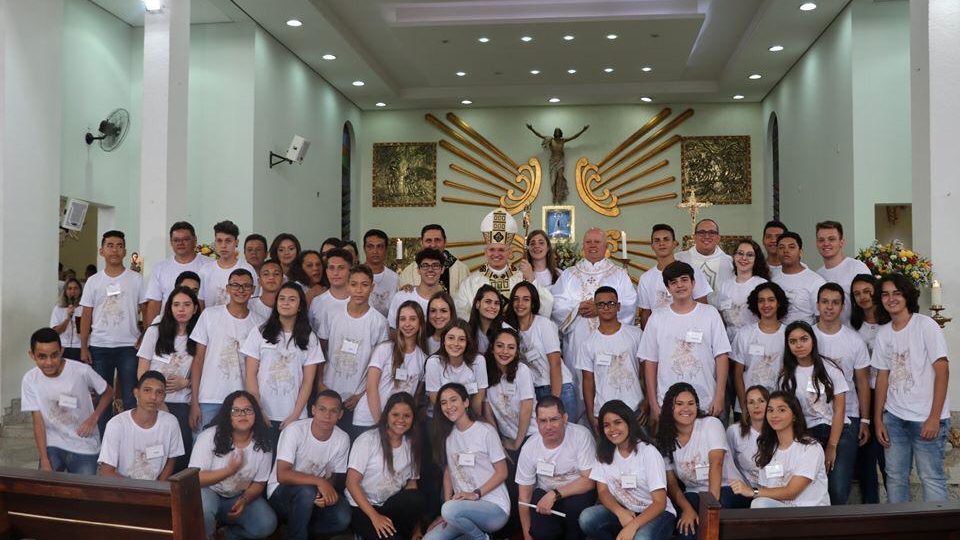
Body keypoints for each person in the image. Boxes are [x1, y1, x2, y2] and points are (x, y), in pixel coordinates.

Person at [872, 273, 951, 503]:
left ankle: (937, 531)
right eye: (885, 294)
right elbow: (882, 378)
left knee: (931, 478)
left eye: (896, 293)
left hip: (926, 417)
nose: (891, 298)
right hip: (895, 418)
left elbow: (942, 370)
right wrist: (878, 419)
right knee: (895, 477)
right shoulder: (884, 333)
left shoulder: (925, 325)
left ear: (906, 295)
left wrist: (934, 417)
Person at [641, 262, 731, 421]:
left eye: (684, 280)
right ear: (668, 288)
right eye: (673, 282)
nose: (680, 285)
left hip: (706, 401)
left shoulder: (710, 313)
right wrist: (654, 404)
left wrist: (720, 395)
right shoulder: (657, 317)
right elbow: (650, 362)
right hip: (668, 403)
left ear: (693, 283)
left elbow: (721, 356)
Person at [657, 384, 748, 540]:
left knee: (713, 515)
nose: (686, 408)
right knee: (686, 523)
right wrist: (687, 510)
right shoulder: (666, 438)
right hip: (694, 493)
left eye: (691, 403)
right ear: (669, 408)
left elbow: (716, 464)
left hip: (727, 488)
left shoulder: (710, 424)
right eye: (679, 404)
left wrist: (709, 509)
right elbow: (671, 485)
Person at [79, 230, 146, 433]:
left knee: (130, 396)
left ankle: (129, 438)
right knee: (102, 397)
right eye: (110, 245)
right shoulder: (94, 281)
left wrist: (145, 336)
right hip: (99, 346)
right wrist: (83, 346)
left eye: (119, 245)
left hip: (129, 346)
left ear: (124, 250)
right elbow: (86, 316)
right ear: (102, 251)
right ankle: (105, 443)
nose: (114, 249)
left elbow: (146, 310)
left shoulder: (136, 279)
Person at [579, 400, 676, 540]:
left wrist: (633, 525)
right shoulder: (604, 452)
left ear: (629, 423)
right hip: (626, 511)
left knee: (640, 538)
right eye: (606, 425)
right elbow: (603, 491)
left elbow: (660, 503)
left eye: (618, 422)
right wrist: (620, 512)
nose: (612, 429)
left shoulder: (648, 452)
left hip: (657, 514)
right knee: (587, 518)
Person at [777, 321, 851, 504]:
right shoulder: (786, 376)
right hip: (806, 435)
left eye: (804, 339)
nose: (799, 345)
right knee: (811, 492)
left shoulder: (829, 368)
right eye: (793, 341)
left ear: (813, 341)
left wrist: (832, 446)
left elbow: (839, 408)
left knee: (837, 489)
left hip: (837, 431)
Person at [21, 327, 112, 474]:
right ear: (32, 355)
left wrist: (93, 418)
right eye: (42, 356)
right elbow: (37, 422)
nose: (49, 362)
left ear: (62, 351)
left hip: (84, 443)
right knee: (45, 491)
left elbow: (108, 392)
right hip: (53, 443)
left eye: (54, 355)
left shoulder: (81, 371)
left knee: (84, 494)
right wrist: (44, 460)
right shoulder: (30, 380)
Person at [424, 383, 510, 540]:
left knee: (449, 509)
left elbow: (502, 472)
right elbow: (449, 472)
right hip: (461, 510)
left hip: (494, 507)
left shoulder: (485, 431)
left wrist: (475, 494)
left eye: (453, 400)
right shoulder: (449, 437)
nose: (449, 406)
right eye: (443, 403)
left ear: (466, 402)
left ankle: (482, 538)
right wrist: (449, 510)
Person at [242, 283, 323, 449]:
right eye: (282, 299)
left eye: (292, 299)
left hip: (294, 414)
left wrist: (295, 415)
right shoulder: (259, 333)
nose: (285, 303)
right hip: (262, 412)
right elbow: (250, 375)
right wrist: (258, 410)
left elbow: (308, 381)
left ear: (300, 306)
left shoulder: (309, 337)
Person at [190, 390, 277, 540]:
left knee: (267, 524)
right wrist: (229, 470)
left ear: (255, 414)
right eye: (235, 411)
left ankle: (227, 535)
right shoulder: (209, 436)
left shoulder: (264, 443)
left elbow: (259, 482)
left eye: (248, 410)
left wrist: (245, 500)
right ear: (227, 415)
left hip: (237, 496)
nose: (242, 415)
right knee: (203, 507)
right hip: (210, 493)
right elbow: (195, 478)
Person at [812, 282, 870, 504]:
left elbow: (862, 382)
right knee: (811, 484)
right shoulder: (807, 336)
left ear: (842, 306)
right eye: (825, 302)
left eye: (835, 302)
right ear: (817, 305)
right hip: (812, 417)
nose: (829, 307)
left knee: (838, 485)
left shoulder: (854, 340)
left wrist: (864, 420)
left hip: (847, 416)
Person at [267, 390, 352, 540]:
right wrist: (319, 482)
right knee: (306, 492)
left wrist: (324, 493)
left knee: (342, 517)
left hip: (313, 495)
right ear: (313, 410)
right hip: (280, 493)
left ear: (340, 415)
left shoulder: (342, 438)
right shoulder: (294, 430)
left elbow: (332, 475)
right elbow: (283, 475)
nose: (327, 416)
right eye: (322, 409)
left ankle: (298, 531)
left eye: (333, 411)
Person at [552, 227, 637, 378]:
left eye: (597, 242)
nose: (592, 245)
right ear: (583, 246)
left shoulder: (619, 274)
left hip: (610, 341)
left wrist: (600, 309)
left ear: (605, 246)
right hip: (577, 342)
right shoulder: (569, 274)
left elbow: (629, 303)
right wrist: (577, 308)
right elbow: (557, 303)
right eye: (588, 242)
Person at [190, 268, 265, 433]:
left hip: (243, 401)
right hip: (210, 397)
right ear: (228, 288)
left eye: (246, 286)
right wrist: (194, 401)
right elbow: (198, 360)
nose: (240, 290)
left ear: (253, 290)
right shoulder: (209, 315)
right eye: (235, 285)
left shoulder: (259, 323)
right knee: (203, 448)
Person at [319, 265, 390, 439]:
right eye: (354, 284)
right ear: (347, 286)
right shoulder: (332, 314)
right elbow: (320, 350)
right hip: (329, 391)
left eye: (364, 285)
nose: (359, 290)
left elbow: (380, 365)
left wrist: (361, 395)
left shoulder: (379, 322)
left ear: (372, 287)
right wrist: (320, 384)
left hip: (357, 398)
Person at [729, 391, 831, 508]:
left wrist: (752, 491)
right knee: (759, 503)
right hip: (781, 511)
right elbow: (767, 491)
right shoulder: (767, 448)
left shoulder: (810, 448)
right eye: (770, 410)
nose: (774, 415)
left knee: (759, 503)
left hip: (810, 514)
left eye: (781, 410)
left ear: (794, 415)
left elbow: (792, 492)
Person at [137, 286, 200, 471]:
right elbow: (142, 371)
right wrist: (155, 398)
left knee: (180, 452)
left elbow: (203, 372)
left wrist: (186, 383)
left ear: (195, 308)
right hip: (152, 402)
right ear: (169, 308)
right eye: (176, 305)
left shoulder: (199, 336)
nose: (181, 309)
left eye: (187, 305)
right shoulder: (154, 332)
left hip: (182, 403)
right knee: (151, 452)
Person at [346, 392, 425, 540]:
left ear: (413, 418)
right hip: (362, 507)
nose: (401, 420)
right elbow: (351, 483)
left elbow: (412, 485)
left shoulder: (411, 444)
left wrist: (417, 530)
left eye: (407, 416)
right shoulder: (368, 440)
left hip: (389, 504)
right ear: (386, 415)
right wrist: (375, 517)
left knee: (416, 498)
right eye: (395, 415)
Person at [516, 396, 596, 540]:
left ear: (565, 418)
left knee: (575, 514)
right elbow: (524, 497)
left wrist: (554, 494)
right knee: (540, 532)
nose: (548, 426)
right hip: (545, 494)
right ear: (537, 422)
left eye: (554, 420)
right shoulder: (529, 447)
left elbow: (589, 481)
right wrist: (527, 536)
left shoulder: (581, 435)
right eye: (543, 421)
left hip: (576, 493)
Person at [455, 208, 553, 319]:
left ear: (510, 252)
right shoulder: (471, 282)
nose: (496, 254)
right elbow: (460, 312)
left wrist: (532, 279)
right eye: (492, 250)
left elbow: (547, 306)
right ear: (485, 252)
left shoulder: (520, 278)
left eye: (501, 250)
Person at [505, 281, 578, 419]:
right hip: (535, 390)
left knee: (567, 434)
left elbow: (555, 363)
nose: (520, 304)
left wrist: (554, 399)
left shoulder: (544, 324)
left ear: (533, 303)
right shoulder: (511, 329)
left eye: (526, 299)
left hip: (559, 387)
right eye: (516, 299)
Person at [576, 286, 645, 433]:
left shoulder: (636, 335)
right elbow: (588, 382)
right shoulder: (588, 343)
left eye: (611, 303)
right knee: (609, 455)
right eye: (601, 304)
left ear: (618, 306)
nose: (606, 308)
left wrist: (647, 403)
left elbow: (646, 371)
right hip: (604, 412)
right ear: (595, 308)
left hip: (635, 408)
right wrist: (590, 413)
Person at [98, 371, 184, 480]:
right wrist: (139, 492)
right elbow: (106, 472)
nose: (153, 397)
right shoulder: (116, 424)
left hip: (155, 490)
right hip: (122, 489)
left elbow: (170, 462)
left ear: (164, 396)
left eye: (159, 392)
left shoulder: (171, 423)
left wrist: (157, 491)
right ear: (136, 393)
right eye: (147, 390)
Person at [354, 301, 427, 430]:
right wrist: (380, 424)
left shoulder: (423, 358)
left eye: (413, 319)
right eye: (403, 319)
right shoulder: (385, 349)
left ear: (420, 322)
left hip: (397, 425)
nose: (407, 324)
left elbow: (414, 397)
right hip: (369, 420)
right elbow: (371, 387)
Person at [849, 273, 884, 503]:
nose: (863, 297)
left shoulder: (890, 323)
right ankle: (871, 508)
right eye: (857, 293)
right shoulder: (852, 327)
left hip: (887, 395)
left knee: (888, 458)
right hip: (863, 395)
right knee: (866, 459)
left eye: (867, 291)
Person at [636, 224, 711, 330]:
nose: (661, 243)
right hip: (660, 331)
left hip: (689, 328)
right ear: (652, 246)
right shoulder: (645, 278)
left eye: (666, 239)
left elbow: (702, 303)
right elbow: (646, 313)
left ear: (674, 244)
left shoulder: (691, 271)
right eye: (657, 240)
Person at [731, 282, 788, 418]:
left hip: (777, 408)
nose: (766, 305)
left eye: (771, 300)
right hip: (748, 407)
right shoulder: (744, 334)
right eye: (761, 301)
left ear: (779, 303)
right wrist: (744, 405)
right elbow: (738, 374)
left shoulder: (788, 334)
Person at [144, 221, 211, 324]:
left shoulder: (209, 265)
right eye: (176, 240)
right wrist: (148, 333)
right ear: (171, 242)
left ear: (195, 240)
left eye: (185, 239)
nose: (180, 243)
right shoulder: (160, 268)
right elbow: (154, 303)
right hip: (168, 329)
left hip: (201, 327)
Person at [483, 327, 537, 451]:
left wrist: (517, 443)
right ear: (492, 348)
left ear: (517, 351)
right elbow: (488, 412)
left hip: (530, 435)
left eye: (511, 347)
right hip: (506, 437)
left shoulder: (522, 370)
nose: (505, 351)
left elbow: (526, 409)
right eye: (500, 346)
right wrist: (497, 443)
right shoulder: (485, 372)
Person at [425, 320, 488, 416]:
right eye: (451, 338)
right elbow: (436, 401)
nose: (456, 344)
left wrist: (469, 424)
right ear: (444, 341)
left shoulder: (478, 361)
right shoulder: (433, 363)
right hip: (442, 417)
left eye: (461, 339)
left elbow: (478, 400)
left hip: (470, 416)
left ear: (468, 342)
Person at [814, 221, 870, 324]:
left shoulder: (857, 268)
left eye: (831, 239)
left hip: (859, 333)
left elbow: (871, 303)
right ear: (817, 244)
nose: (826, 243)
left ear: (841, 242)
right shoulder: (817, 275)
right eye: (821, 240)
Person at [716, 239, 769, 342]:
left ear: (756, 259)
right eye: (740, 253)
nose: (744, 258)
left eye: (750, 255)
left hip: (755, 340)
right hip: (729, 341)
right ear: (734, 256)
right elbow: (720, 318)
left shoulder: (762, 284)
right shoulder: (723, 286)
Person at [398, 224, 471, 296]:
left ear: (445, 242)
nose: (433, 245)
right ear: (421, 243)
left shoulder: (461, 269)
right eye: (428, 241)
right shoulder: (408, 272)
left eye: (437, 240)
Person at [200, 220, 258, 308]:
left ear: (236, 242)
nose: (223, 246)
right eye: (219, 241)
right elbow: (201, 302)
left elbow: (253, 302)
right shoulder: (205, 270)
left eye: (228, 241)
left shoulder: (247, 269)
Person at [772, 232, 825, 324]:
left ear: (800, 252)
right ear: (777, 252)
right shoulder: (772, 279)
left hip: (805, 335)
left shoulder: (816, 281)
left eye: (791, 247)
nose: (786, 251)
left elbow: (821, 319)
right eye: (781, 247)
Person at [387, 248, 444, 329]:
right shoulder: (402, 297)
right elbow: (391, 328)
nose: (430, 269)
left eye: (435, 265)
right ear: (418, 270)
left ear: (442, 270)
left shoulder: (446, 302)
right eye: (425, 266)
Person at [726, 385, 769, 486]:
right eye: (751, 402)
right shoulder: (734, 431)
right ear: (746, 407)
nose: (756, 406)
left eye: (761, 401)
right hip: (744, 489)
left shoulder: (778, 429)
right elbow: (729, 465)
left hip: (774, 490)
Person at [676, 218, 734, 292]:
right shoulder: (679, 260)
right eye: (702, 232)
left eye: (712, 232)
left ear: (718, 238)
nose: (706, 236)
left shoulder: (730, 262)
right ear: (694, 237)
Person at [307, 247, 353, 342]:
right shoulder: (317, 302)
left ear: (350, 270)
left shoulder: (359, 300)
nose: (336, 273)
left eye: (341, 268)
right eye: (331, 268)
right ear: (326, 271)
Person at [363, 229, 399, 317]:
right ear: (364, 249)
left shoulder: (394, 278)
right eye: (370, 246)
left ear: (386, 249)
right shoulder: (356, 275)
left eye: (379, 246)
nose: (375, 251)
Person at [51, 277, 83, 361]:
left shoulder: (84, 308)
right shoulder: (58, 308)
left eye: (76, 288)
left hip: (80, 347)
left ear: (80, 291)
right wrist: (68, 318)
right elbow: (55, 332)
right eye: (70, 288)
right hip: (63, 347)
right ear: (65, 291)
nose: (73, 291)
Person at [468, 285, 505, 355]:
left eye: (497, 303)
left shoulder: (506, 330)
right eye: (488, 302)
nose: (493, 306)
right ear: (477, 304)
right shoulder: (467, 330)